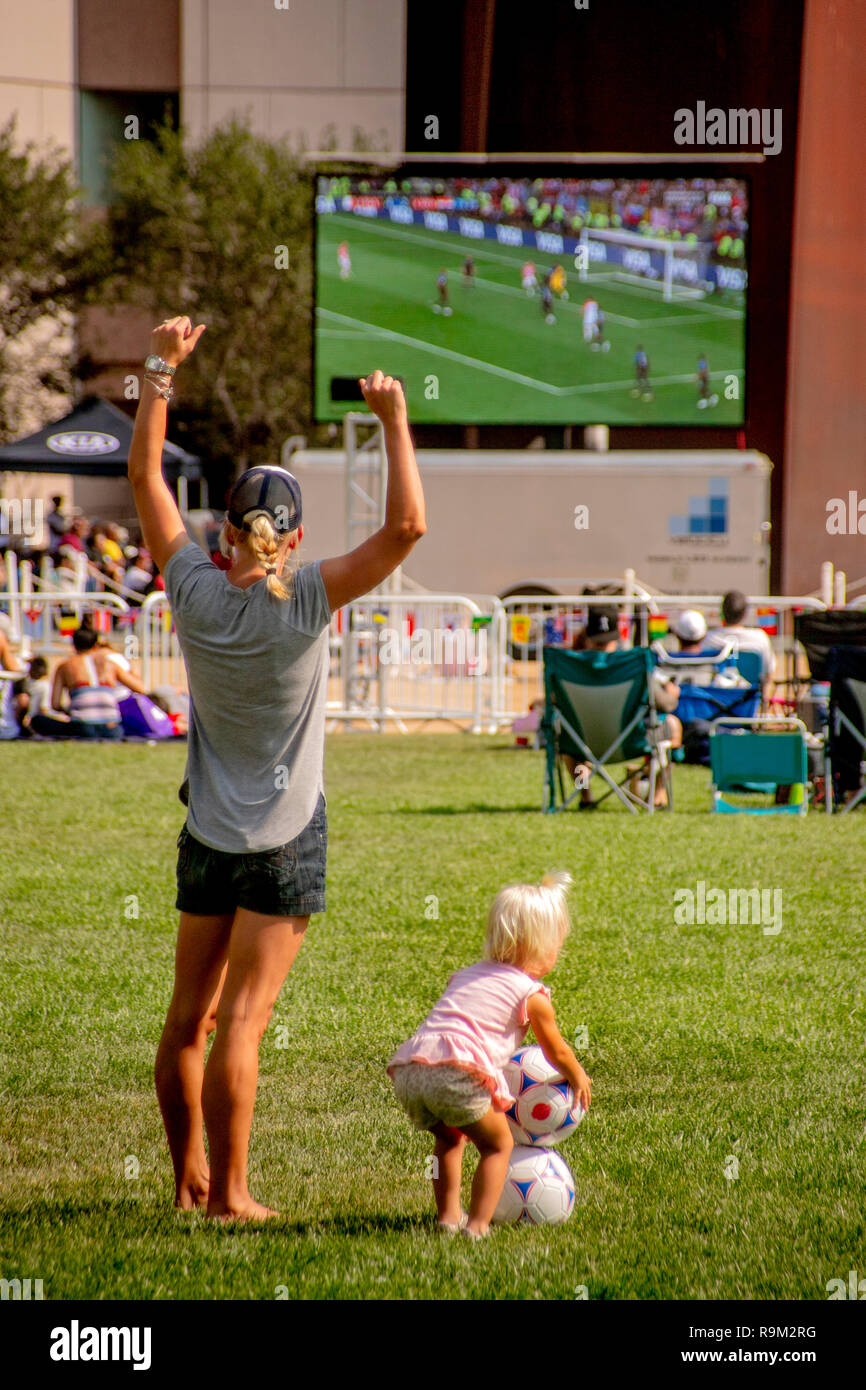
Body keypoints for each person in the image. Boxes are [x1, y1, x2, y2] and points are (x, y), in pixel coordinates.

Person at [135, 316, 425, 1221]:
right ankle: (233, 1197)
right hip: (286, 840)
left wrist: (161, 367)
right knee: (245, 1027)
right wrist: (393, 417)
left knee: (190, 1021)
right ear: (290, 540)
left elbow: (145, 474)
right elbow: (408, 525)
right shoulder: (304, 596)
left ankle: (188, 1185)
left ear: (224, 530)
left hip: (206, 835)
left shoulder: (190, 587)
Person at [387, 872, 591, 1239]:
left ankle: (448, 1217)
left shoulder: (466, 974)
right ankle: (478, 1226)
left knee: (450, 1139)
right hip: (457, 1074)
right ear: (543, 946)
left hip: (411, 1070)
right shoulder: (531, 995)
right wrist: (576, 1074)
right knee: (499, 1145)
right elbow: (555, 1048)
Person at [50, 625, 147, 738]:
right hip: (112, 727)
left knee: (38, 721)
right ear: (96, 645)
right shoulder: (109, 665)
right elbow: (141, 688)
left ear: (73, 645)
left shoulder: (65, 666)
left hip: (81, 727)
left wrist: (71, 710)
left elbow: (55, 704)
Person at [704, 590, 774, 686]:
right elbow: (768, 675)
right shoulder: (760, 638)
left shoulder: (708, 638)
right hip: (749, 698)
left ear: (722, 612)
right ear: (744, 613)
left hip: (716, 697)